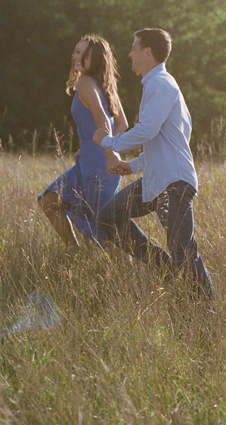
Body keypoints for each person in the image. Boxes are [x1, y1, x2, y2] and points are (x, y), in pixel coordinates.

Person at [94, 28, 214, 299]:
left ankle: (207, 312)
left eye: (134, 48)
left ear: (148, 52)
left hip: (173, 185)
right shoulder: (156, 84)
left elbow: (146, 131)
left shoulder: (161, 83)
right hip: (157, 181)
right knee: (108, 217)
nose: (130, 54)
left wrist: (108, 141)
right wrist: (132, 166)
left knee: (185, 253)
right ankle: (165, 267)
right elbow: (161, 143)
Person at [38, 35, 128, 249]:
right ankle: (73, 249)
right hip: (93, 157)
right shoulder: (105, 86)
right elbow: (122, 124)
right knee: (49, 201)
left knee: (104, 225)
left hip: (100, 163)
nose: (77, 57)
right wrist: (90, 143)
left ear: (96, 59)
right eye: (77, 51)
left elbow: (102, 118)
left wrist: (107, 152)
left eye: (84, 54)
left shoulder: (85, 83)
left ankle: (124, 270)